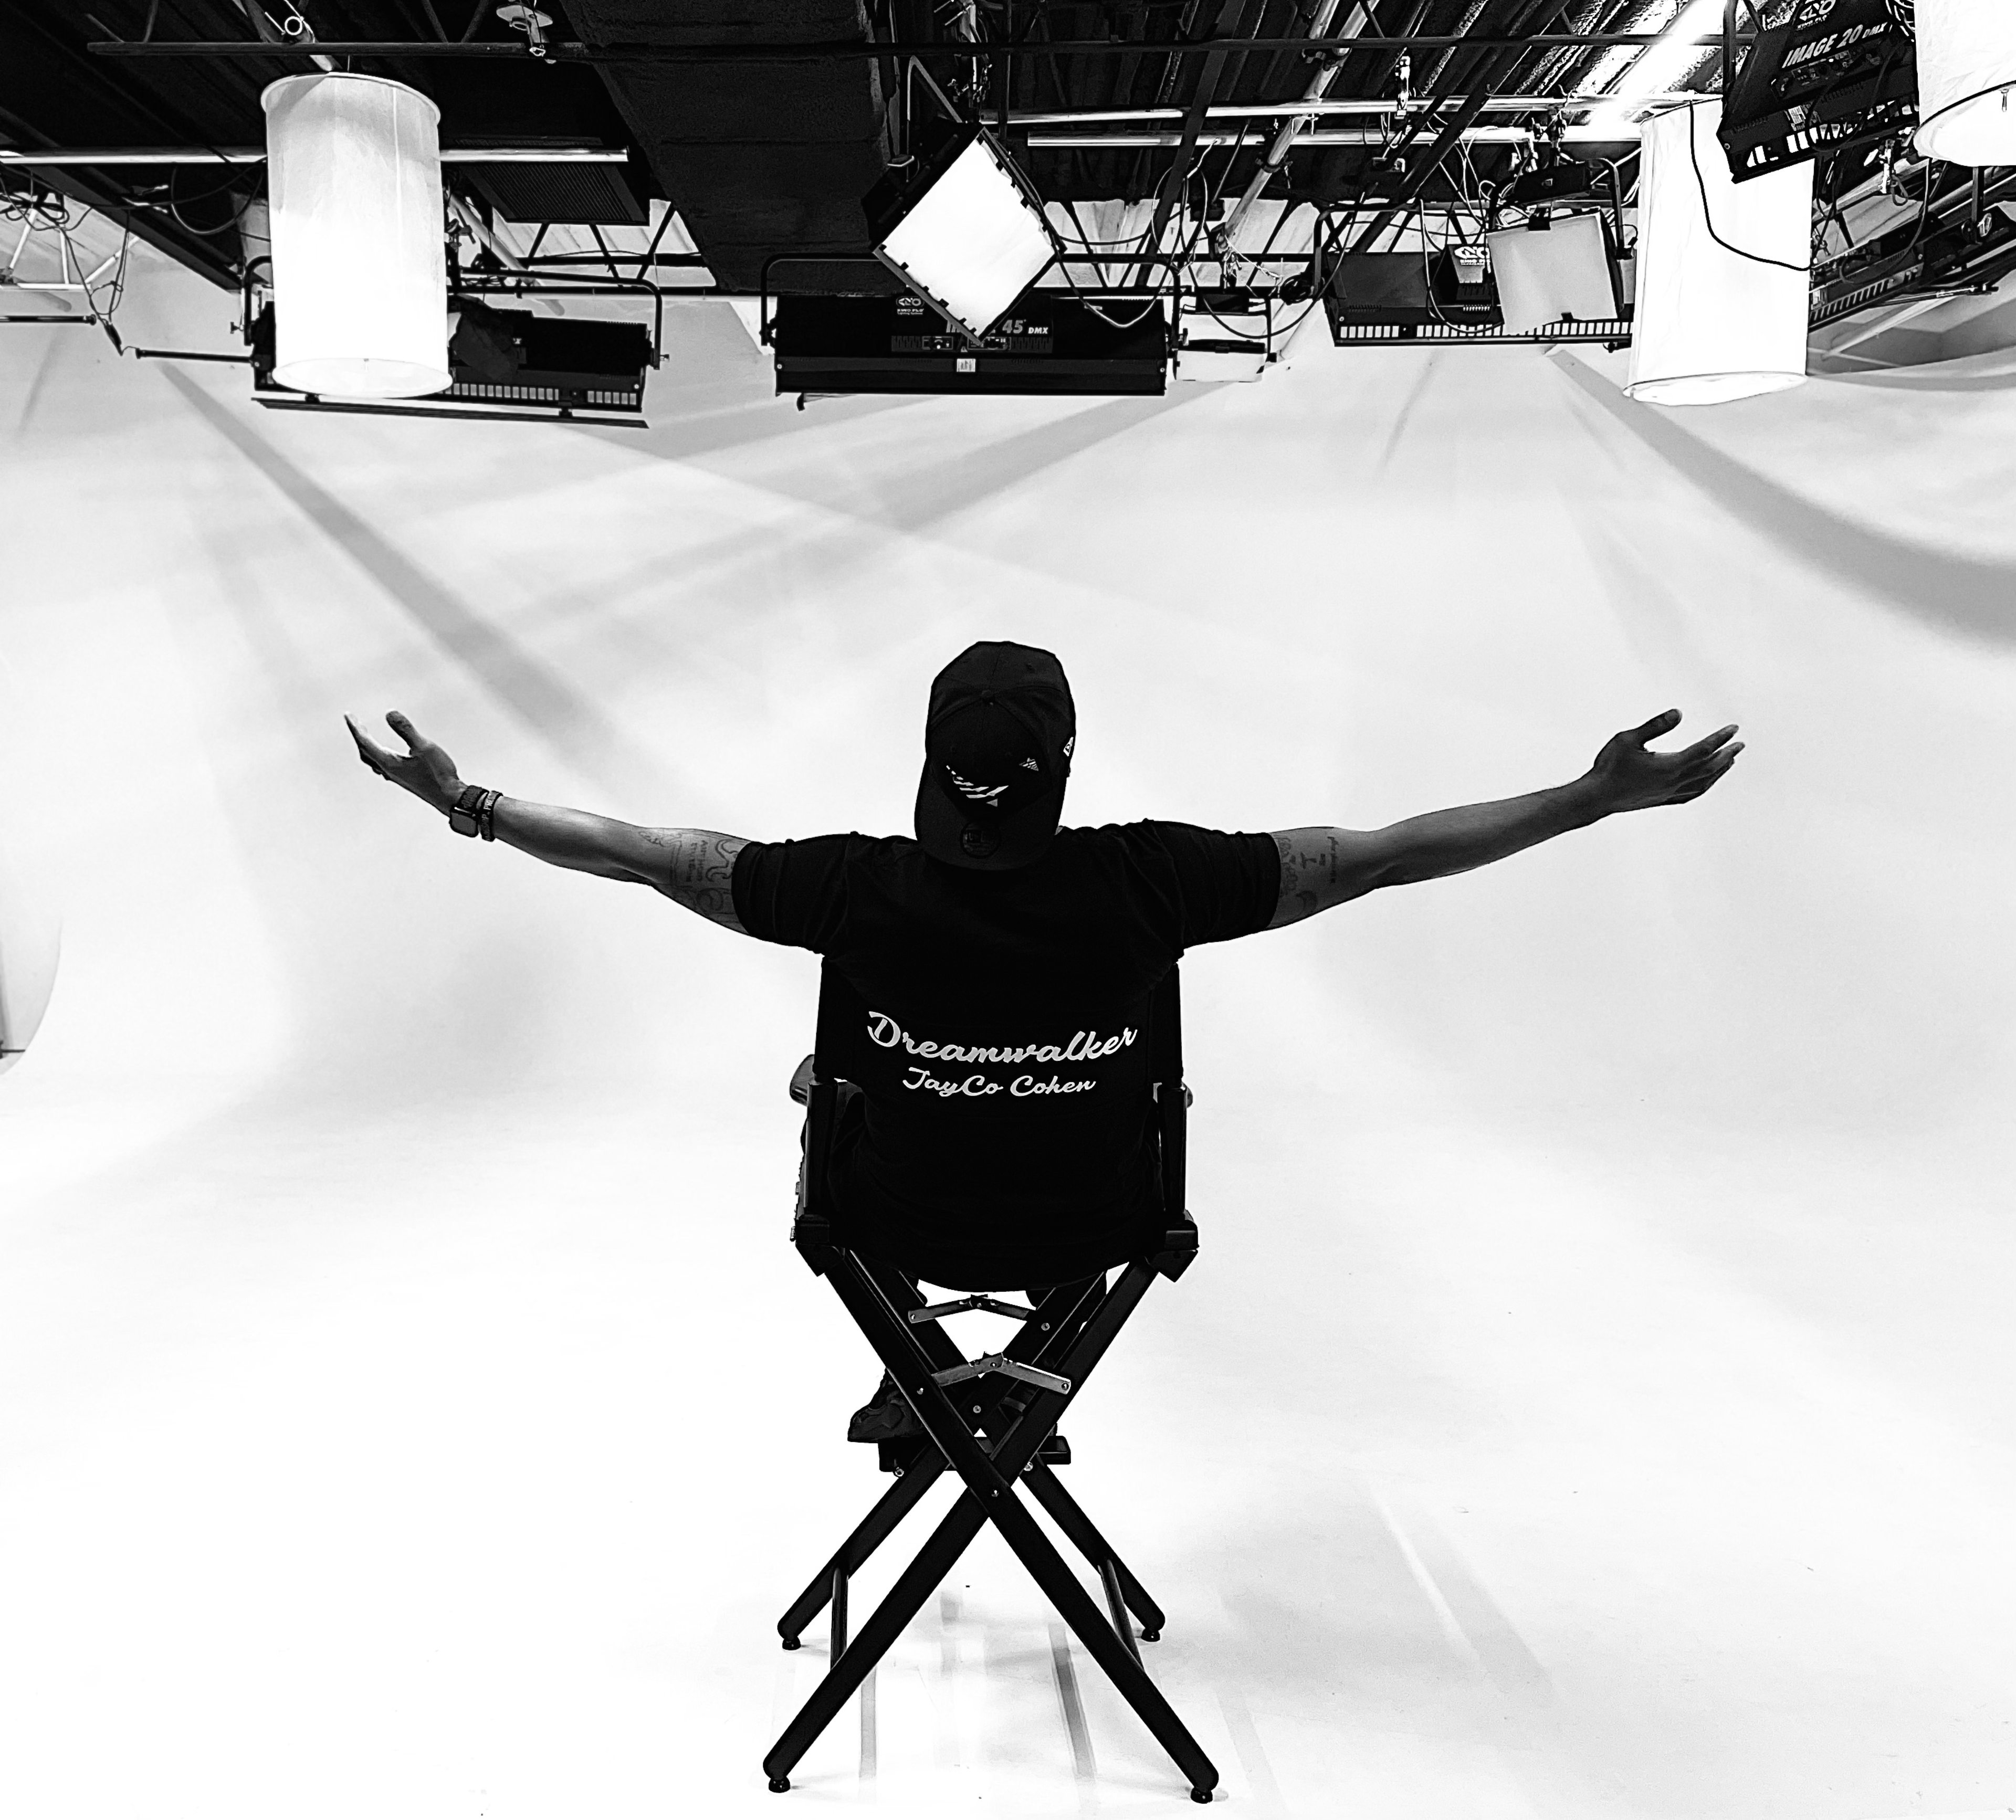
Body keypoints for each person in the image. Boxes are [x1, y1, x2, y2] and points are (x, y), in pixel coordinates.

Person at [346, 641, 1740, 1429]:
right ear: (1059, 772)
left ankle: (930, 1376)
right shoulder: (1155, 881)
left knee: (818, 1081)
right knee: (953, 1086)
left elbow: (655, 855)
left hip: (890, 1219)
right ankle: (988, 1384)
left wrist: (469, 802)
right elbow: (1375, 856)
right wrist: (1584, 798)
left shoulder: (851, 886)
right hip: (1100, 1227)